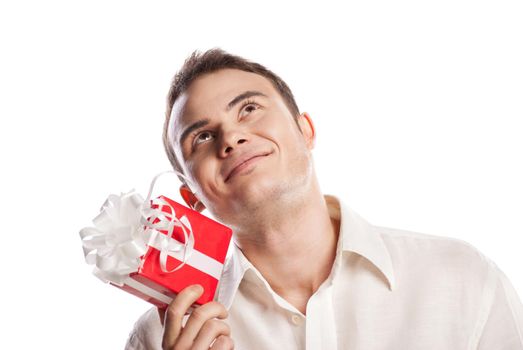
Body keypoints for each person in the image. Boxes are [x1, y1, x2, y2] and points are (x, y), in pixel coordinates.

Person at [125, 48, 523, 350]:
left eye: (249, 109)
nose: (231, 138)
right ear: (189, 198)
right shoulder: (159, 337)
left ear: (306, 131)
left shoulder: (462, 278)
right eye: (203, 137)